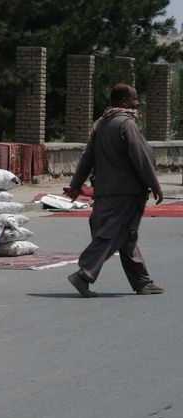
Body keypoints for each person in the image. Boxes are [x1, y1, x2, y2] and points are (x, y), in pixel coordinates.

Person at [64, 83, 164, 298]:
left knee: (126, 235)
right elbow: (141, 159)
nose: (137, 103)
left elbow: (86, 159)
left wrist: (75, 185)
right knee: (112, 235)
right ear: (123, 102)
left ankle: (142, 282)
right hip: (126, 193)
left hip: (104, 191)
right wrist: (155, 185)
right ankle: (84, 274)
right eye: (134, 99)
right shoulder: (126, 124)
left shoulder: (100, 125)